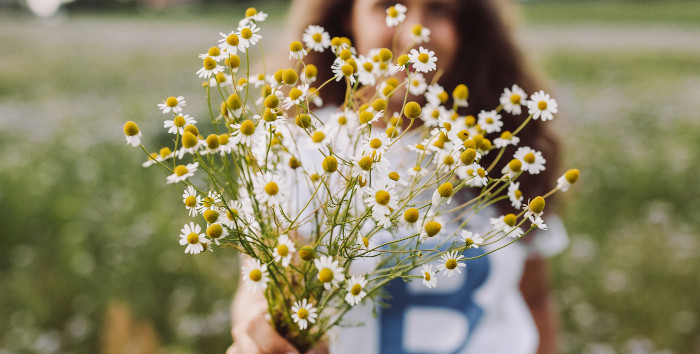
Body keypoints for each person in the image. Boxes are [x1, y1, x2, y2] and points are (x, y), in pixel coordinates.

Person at [228, 0, 567, 353]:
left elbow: (534, 299)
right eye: (389, 6)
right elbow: (259, 292)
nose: (414, 34)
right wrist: (261, 333)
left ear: (469, 28)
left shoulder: (507, 155)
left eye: (439, 10)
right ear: (347, 17)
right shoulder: (298, 152)